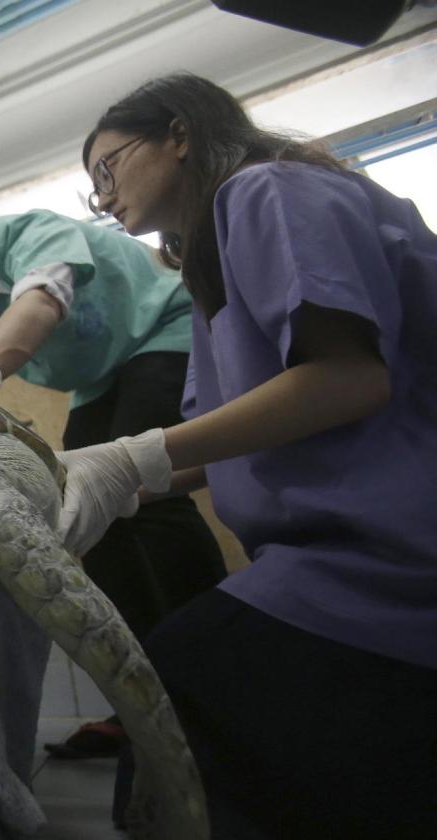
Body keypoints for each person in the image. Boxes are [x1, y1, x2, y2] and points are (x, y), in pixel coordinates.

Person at [64, 73, 437, 839]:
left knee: (178, 685)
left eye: (109, 168)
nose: (103, 199)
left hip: (395, 557)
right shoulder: (212, 270)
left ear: (179, 133)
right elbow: (246, 430)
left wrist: (133, 458)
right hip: (332, 555)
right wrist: (127, 483)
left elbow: (347, 377)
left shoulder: (266, 190)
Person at [0, 175, 225, 756]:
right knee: (91, 518)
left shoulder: (32, 234)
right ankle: (139, 698)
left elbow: (42, 301)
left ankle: (212, 678)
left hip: (160, 330)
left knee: (151, 499)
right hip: (98, 381)